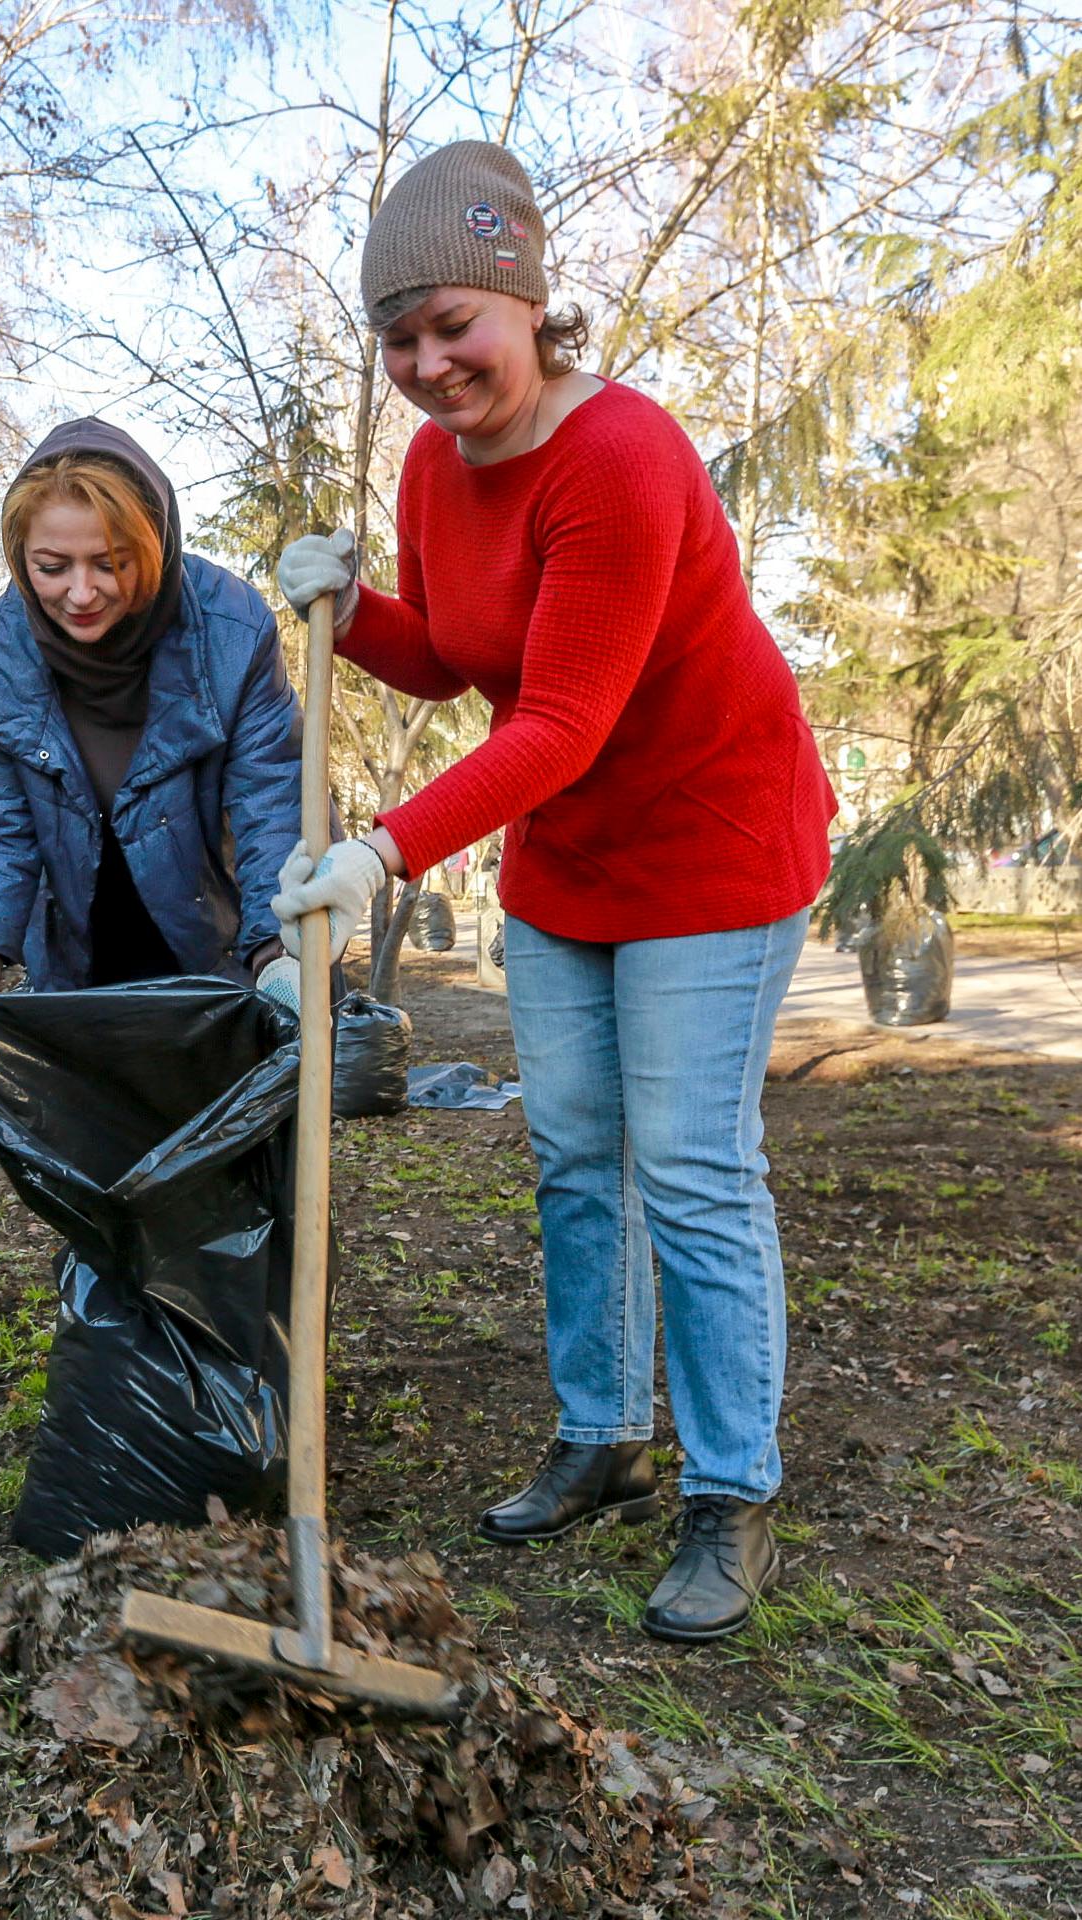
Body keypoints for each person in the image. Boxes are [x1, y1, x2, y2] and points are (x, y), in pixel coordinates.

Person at [273, 141, 837, 1643]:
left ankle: (729, 1488)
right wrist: (347, 605)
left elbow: (564, 716)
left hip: (711, 841)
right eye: (395, 339)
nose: (426, 364)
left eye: (451, 323)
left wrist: (382, 846)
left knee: (692, 1165)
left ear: (524, 300)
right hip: (569, 857)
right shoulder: (425, 466)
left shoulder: (620, 458)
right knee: (576, 1156)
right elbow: (464, 659)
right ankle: (602, 1435)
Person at [0, 418, 306, 1048]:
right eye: (52, 566)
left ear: (153, 544)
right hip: (77, 972)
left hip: (227, 961)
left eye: (111, 562)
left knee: (235, 1141)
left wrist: (283, 953)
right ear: (20, 557)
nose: (81, 592)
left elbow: (272, 803)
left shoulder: (231, 632)